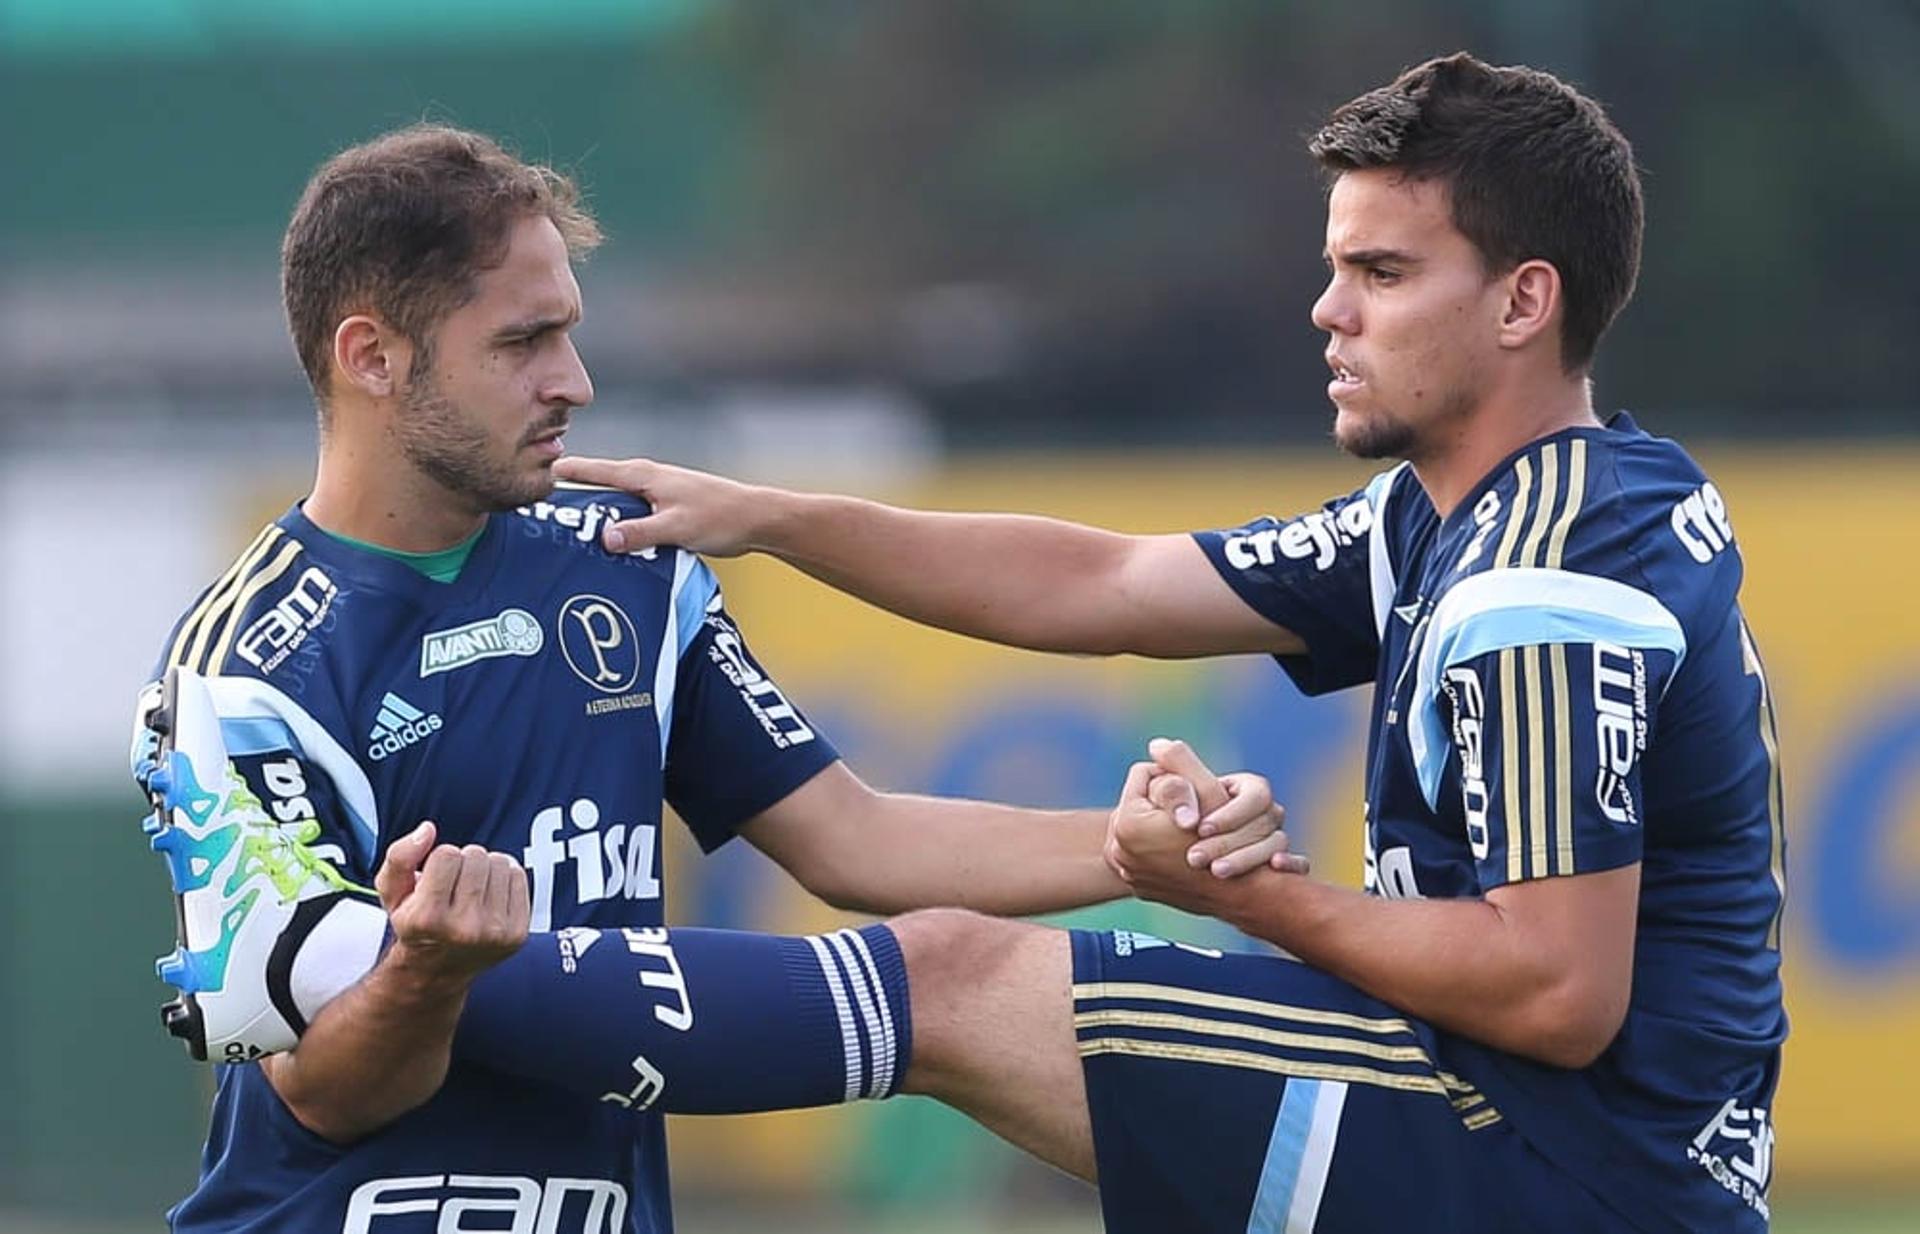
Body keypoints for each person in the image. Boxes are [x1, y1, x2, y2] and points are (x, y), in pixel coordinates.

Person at [553, 52, 1790, 1233]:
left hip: (1559, 1165)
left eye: (1385, 273)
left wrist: (1244, 895)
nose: (1328, 310)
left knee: (951, 979)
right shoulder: (1471, 508)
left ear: (1525, 299)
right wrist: (771, 516)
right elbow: (1109, 581)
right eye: (1335, 266)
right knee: (948, 974)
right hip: (1545, 1130)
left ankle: (460, 1002)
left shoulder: (1540, 578)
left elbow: (1556, 994)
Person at [130, 124, 1295, 1233]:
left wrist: (1128, 849)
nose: (573, 380)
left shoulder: (627, 569)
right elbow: (325, 1091)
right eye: (522, 342)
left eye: (569, 333)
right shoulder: (246, 669)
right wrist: (430, 971)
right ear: (372, 356)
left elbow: (857, 841)